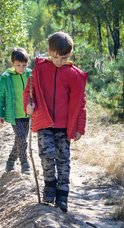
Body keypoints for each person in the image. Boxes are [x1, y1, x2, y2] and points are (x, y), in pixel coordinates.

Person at [23, 31, 88, 212]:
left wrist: (79, 128)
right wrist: (29, 105)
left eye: (64, 57)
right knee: (46, 154)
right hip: (44, 121)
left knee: (63, 158)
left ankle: (62, 194)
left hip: (64, 126)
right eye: (56, 57)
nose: (59, 61)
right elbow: (29, 92)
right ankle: (49, 187)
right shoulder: (39, 70)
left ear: (70, 54)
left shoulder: (74, 75)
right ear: (50, 52)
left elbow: (80, 103)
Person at [0, 47, 32, 174]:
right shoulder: (6, 78)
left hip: (27, 115)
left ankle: (10, 162)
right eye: (18, 65)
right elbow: (0, 98)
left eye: (24, 65)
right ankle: (24, 164)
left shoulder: (30, 75)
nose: (22, 68)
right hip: (14, 115)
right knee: (22, 139)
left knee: (19, 140)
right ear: (12, 64)